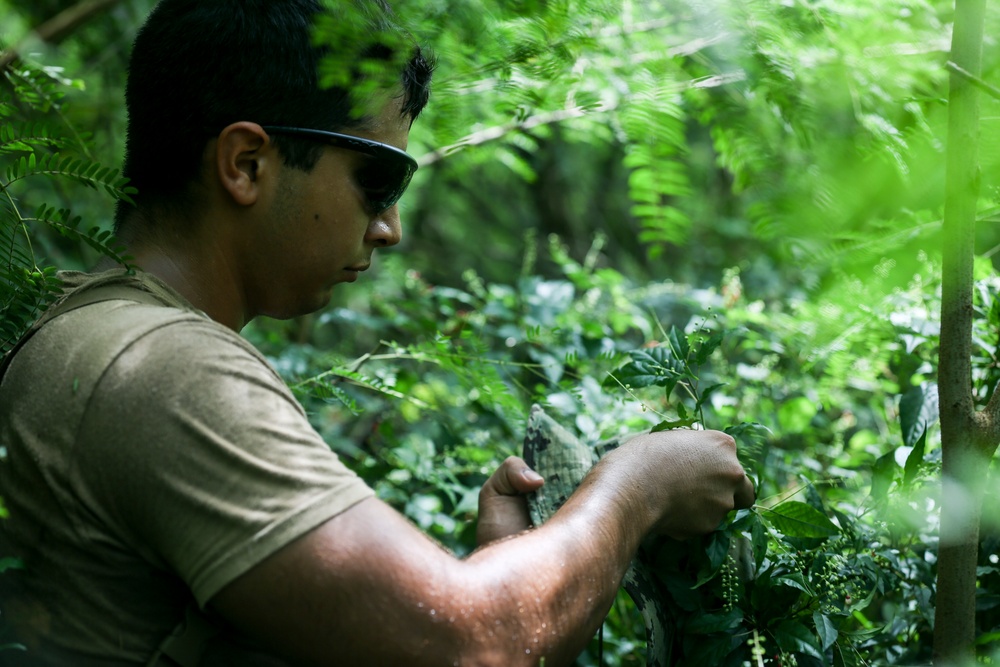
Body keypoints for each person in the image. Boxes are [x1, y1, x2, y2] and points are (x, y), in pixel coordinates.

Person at [0, 0, 755, 665]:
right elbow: (478, 643)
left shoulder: (72, 323)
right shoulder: (163, 373)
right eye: (379, 181)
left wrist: (500, 562)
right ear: (247, 162)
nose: (389, 227)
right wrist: (637, 487)